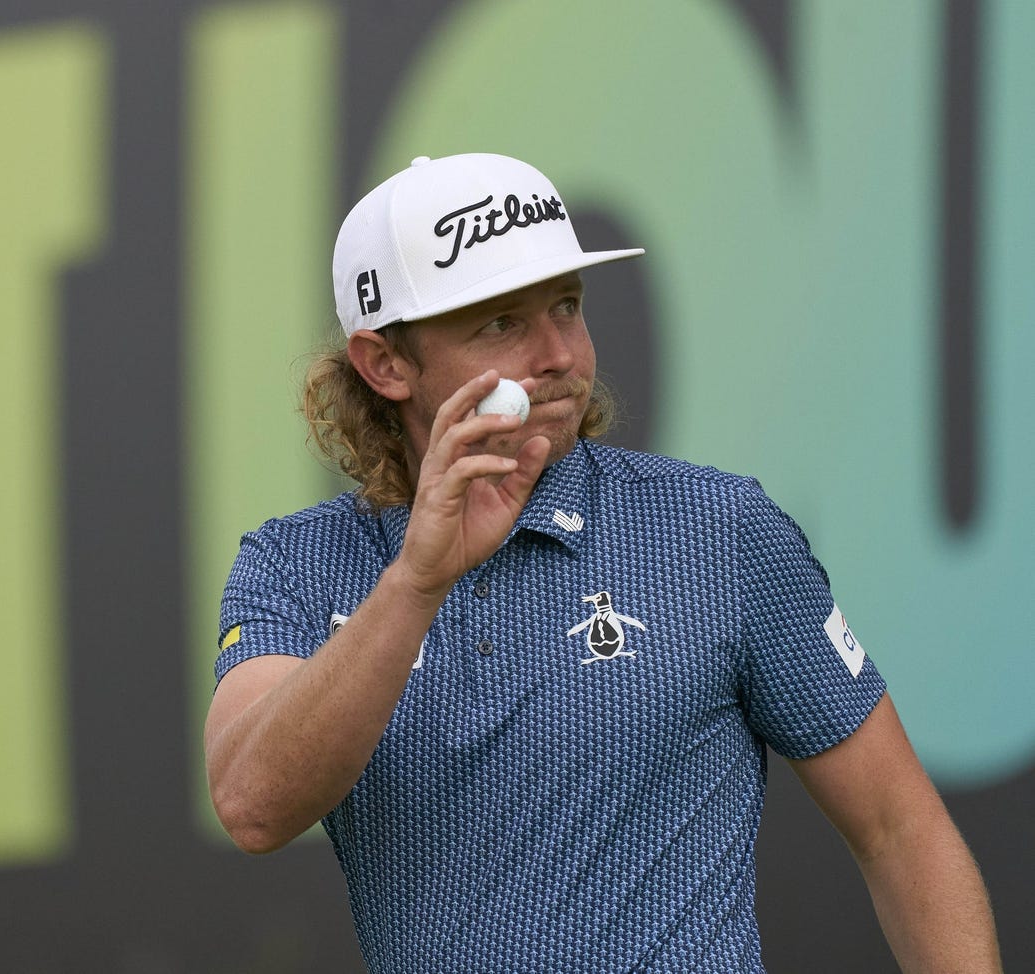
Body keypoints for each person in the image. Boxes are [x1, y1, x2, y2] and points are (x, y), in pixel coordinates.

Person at [204, 153, 1002, 972]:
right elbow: (252, 807)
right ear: (386, 364)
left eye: (567, 306)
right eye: (501, 324)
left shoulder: (718, 529)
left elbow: (901, 830)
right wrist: (416, 582)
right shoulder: (292, 564)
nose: (559, 354)